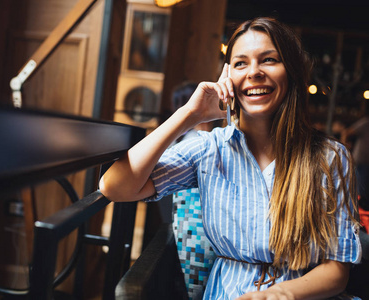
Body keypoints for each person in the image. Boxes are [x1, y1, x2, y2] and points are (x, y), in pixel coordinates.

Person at [100, 17, 361, 299]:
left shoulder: (330, 157)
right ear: (227, 76)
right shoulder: (208, 149)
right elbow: (115, 187)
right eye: (240, 63)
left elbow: (337, 269)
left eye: (269, 60)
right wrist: (190, 115)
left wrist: (278, 294)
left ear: (292, 72)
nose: (254, 72)